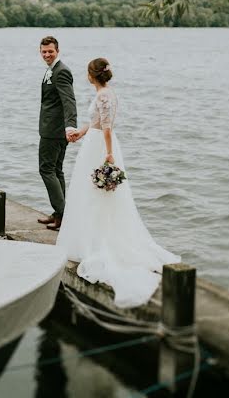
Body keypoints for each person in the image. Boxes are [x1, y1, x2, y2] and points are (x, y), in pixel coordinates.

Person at [56, 57, 180, 308]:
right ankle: (87, 238)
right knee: (87, 195)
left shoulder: (104, 96)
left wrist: (109, 154)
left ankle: (96, 241)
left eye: (87, 73)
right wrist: (81, 132)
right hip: (93, 141)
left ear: (92, 75)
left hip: (101, 147)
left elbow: (108, 128)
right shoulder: (104, 93)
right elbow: (97, 122)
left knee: (96, 195)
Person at [36, 36, 77, 231]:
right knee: (56, 170)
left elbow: (69, 100)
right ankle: (59, 214)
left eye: (50, 51)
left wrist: (70, 126)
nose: (47, 54)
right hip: (54, 128)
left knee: (46, 169)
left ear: (57, 51)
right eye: (44, 51)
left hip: (54, 130)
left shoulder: (61, 72)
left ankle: (64, 213)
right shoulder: (51, 70)